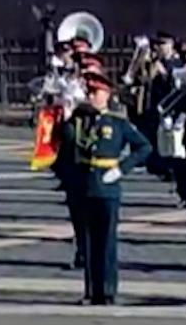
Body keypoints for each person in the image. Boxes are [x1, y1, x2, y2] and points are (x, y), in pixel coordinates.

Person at [55, 72, 152, 307]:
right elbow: (66, 143)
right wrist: (66, 118)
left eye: (95, 93)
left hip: (108, 186)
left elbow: (144, 146)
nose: (91, 97)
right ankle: (91, 291)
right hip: (85, 185)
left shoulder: (117, 121)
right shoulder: (80, 118)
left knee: (106, 241)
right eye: (88, 92)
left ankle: (107, 290)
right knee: (87, 242)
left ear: (107, 95)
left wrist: (122, 168)